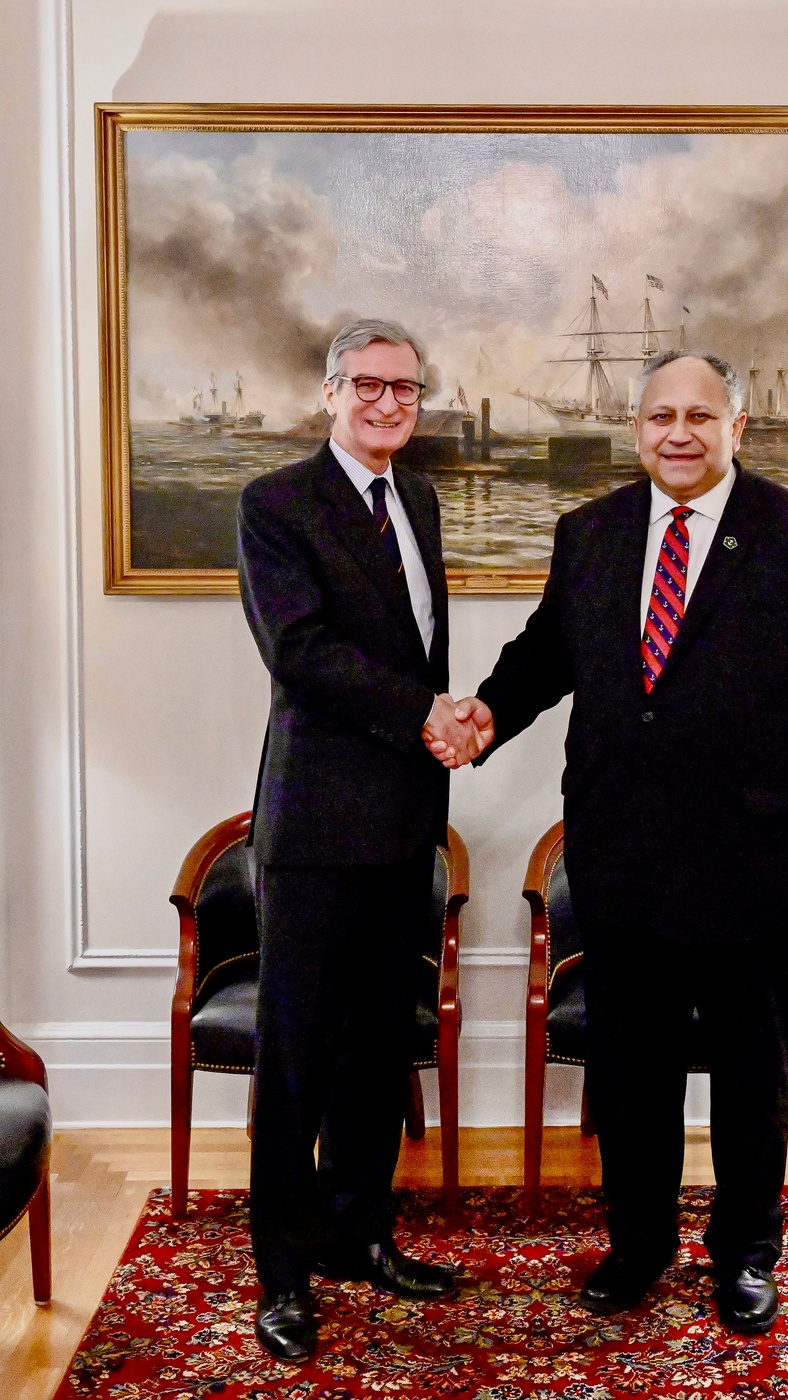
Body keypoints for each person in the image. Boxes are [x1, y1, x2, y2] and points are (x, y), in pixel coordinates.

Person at [434, 350, 788, 1332]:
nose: (677, 433)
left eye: (699, 415)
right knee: (630, 1069)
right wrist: (482, 717)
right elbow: (545, 653)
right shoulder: (589, 533)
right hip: (620, 855)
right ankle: (638, 1244)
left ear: (738, 426)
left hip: (755, 861)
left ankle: (745, 1255)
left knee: (750, 1068)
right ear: (636, 430)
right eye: (659, 417)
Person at [237, 318, 484, 1361]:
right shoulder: (276, 503)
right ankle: (284, 1272)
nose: (390, 405)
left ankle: (358, 1230)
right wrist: (429, 710)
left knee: (381, 1048)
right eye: (371, 387)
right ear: (331, 391)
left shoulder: (417, 497)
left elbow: (411, 639)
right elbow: (299, 651)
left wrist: (445, 722)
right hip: (317, 825)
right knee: (297, 1055)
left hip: (402, 826)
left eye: (407, 391)